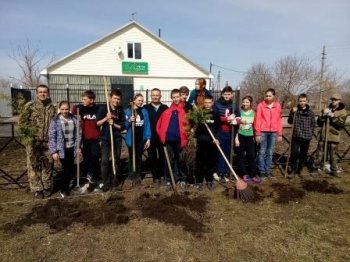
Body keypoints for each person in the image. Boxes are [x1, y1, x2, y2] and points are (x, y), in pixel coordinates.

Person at [18, 84, 57, 199]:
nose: (42, 94)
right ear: (37, 93)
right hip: (33, 142)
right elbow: (21, 123)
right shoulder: (30, 106)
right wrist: (28, 138)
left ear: (48, 93)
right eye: (40, 92)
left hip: (48, 142)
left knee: (48, 165)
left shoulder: (53, 107)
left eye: (45, 92)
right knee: (33, 166)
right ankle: (37, 188)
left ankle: (47, 186)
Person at [156, 89, 188, 189]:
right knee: (169, 160)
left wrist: (186, 137)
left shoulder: (184, 111)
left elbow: (188, 126)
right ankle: (169, 180)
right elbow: (158, 126)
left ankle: (181, 179)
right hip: (169, 140)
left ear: (180, 97)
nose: (176, 99)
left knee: (181, 160)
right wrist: (162, 137)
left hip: (180, 141)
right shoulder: (167, 112)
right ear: (171, 98)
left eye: (177, 97)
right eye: (174, 97)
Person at [48, 101, 79, 198]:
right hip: (61, 149)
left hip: (72, 148)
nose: (65, 111)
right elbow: (51, 136)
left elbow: (78, 134)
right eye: (62, 109)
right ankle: (64, 189)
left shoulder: (74, 119)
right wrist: (54, 151)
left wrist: (78, 147)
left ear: (69, 109)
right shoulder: (55, 120)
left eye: (66, 109)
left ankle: (66, 185)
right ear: (59, 109)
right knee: (66, 169)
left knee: (70, 169)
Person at [96, 89, 126, 192]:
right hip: (105, 139)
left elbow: (122, 127)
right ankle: (105, 182)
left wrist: (114, 124)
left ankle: (115, 181)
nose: (116, 101)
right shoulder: (103, 109)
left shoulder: (120, 110)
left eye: (118, 99)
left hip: (116, 139)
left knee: (116, 160)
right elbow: (97, 123)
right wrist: (106, 118)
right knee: (104, 162)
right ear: (110, 98)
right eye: (114, 98)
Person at [312, 93, 347, 177]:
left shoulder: (343, 112)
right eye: (332, 99)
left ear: (339, 100)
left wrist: (332, 117)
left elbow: (341, 125)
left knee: (333, 154)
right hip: (323, 135)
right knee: (319, 153)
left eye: (335, 100)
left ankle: (333, 170)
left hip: (334, 135)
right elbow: (319, 122)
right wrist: (323, 116)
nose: (333, 101)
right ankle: (315, 168)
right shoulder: (326, 109)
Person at [72, 90, 100, 185]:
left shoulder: (97, 109)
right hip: (85, 138)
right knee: (87, 157)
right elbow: (72, 111)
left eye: (85, 99)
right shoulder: (80, 108)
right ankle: (87, 173)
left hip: (95, 138)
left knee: (95, 156)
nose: (82, 101)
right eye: (82, 99)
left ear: (91, 100)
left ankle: (93, 173)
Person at [213, 86, 240, 182]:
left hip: (230, 132)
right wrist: (226, 119)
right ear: (222, 94)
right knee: (221, 153)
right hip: (221, 132)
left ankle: (226, 171)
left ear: (232, 95)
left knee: (228, 152)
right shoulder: (217, 105)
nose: (227, 96)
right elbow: (215, 118)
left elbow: (238, 117)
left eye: (228, 94)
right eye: (225, 94)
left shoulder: (234, 105)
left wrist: (236, 121)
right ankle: (221, 172)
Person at [254, 88, 282, 179]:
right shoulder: (260, 105)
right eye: (266, 96)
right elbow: (257, 119)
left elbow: (279, 120)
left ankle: (268, 170)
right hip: (263, 131)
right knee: (262, 151)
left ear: (274, 96)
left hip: (273, 132)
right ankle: (261, 171)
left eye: (270, 96)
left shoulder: (277, 106)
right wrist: (257, 133)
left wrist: (279, 133)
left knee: (270, 152)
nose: (268, 98)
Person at [125, 93, 151, 188]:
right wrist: (129, 121)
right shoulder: (128, 111)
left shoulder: (144, 111)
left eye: (142, 100)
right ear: (134, 100)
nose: (140, 102)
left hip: (141, 138)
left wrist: (148, 138)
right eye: (139, 100)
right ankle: (132, 175)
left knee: (139, 157)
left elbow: (147, 125)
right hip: (131, 138)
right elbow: (125, 126)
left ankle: (138, 175)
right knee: (132, 157)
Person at [287, 93, 315, 178]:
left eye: (304, 101)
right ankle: (293, 169)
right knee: (294, 153)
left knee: (303, 154)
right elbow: (290, 121)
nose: (302, 102)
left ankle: (300, 170)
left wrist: (310, 133)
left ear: (306, 101)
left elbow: (313, 124)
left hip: (306, 137)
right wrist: (292, 112)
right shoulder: (295, 110)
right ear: (298, 101)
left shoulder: (310, 112)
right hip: (296, 135)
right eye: (300, 101)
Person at [144, 88, 168, 186]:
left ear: (160, 96)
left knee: (163, 157)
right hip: (150, 138)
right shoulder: (145, 108)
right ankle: (156, 177)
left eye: (157, 95)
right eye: (153, 95)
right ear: (150, 96)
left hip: (162, 137)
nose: (155, 97)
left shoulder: (165, 108)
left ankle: (162, 175)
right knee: (152, 157)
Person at [235, 96, 261, 183]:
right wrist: (236, 138)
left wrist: (256, 136)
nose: (245, 104)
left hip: (250, 136)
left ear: (250, 103)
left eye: (247, 102)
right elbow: (236, 127)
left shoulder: (254, 113)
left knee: (251, 155)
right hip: (240, 135)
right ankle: (244, 174)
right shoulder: (239, 112)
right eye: (244, 102)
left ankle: (253, 174)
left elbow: (256, 125)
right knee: (240, 155)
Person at [194, 95, 218, 191]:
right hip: (201, 141)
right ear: (203, 103)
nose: (207, 104)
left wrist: (216, 138)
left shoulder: (215, 115)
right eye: (206, 103)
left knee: (210, 162)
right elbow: (195, 127)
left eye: (209, 103)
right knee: (199, 162)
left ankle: (209, 180)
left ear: (212, 103)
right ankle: (199, 181)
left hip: (211, 142)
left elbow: (218, 128)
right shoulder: (200, 114)